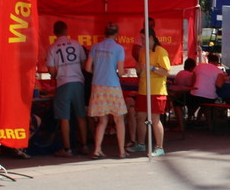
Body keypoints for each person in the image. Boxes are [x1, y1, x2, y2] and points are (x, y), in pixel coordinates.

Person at [45, 20, 88, 157]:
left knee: (64, 117)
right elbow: (84, 64)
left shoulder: (52, 48)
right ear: (67, 30)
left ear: (54, 32)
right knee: (81, 115)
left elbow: (51, 71)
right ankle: (84, 145)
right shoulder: (76, 44)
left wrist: (59, 73)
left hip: (63, 83)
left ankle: (67, 149)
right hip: (78, 82)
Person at [85, 22, 127, 158]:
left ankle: (97, 150)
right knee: (118, 120)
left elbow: (87, 68)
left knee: (102, 121)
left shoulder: (95, 47)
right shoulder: (119, 48)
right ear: (116, 35)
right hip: (113, 86)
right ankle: (121, 151)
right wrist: (122, 72)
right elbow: (120, 72)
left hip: (97, 86)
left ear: (104, 33)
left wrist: (97, 72)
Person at [132, 30, 170, 156]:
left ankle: (159, 147)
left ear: (151, 37)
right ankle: (141, 144)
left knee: (154, 119)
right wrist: (139, 69)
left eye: (143, 38)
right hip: (143, 89)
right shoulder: (142, 52)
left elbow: (166, 71)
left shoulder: (160, 51)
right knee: (140, 117)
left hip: (156, 90)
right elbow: (140, 70)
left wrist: (152, 68)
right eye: (141, 38)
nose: (141, 41)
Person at [189, 53, 227, 119]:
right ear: (217, 62)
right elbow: (219, 85)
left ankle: (189, 119)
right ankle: (209, 124)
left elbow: (192, 82)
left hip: (195, 95)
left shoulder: (198, 66)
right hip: (209, 97)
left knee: (197, 105)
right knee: (208, 105)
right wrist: (224, 79)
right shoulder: (219, 71)